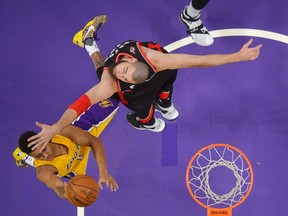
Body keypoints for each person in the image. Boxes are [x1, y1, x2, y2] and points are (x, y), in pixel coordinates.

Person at [28, 15, 262, 152]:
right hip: (134, 96)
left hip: (160, 74)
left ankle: (164, 102)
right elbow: (81, 103)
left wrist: (236, 57)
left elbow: (199, 62)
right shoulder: (113, 80)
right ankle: (146, 122)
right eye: (124, 72)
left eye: (125, 75)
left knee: (171, 77)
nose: (121, 73)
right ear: (129, 59)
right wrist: (57, 127)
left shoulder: (159, 60)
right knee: (107, 76)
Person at [13, 99, 119, 199]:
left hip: (82, 135)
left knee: (113, 100)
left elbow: (95, 142)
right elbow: (58, 188)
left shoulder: (63, 132)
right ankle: (27, 158)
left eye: (44, 149)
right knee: (75, 183)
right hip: (74, 170)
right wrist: (68, 193)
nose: (45, 156)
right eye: (38, 156)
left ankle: (23, 156)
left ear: (46, 139)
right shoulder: (44, 171)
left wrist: (103, 172)